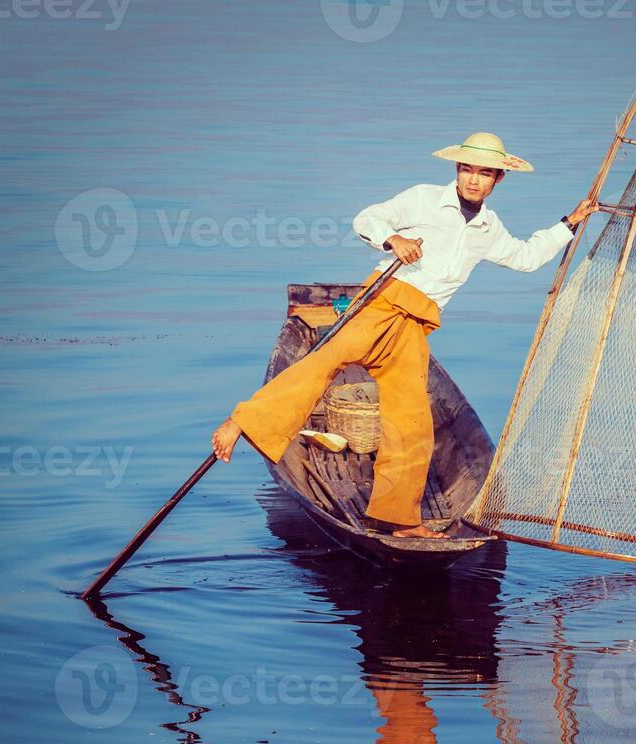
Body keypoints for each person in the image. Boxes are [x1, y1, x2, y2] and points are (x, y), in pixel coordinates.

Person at [211, 132, 596, 538]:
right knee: (322, 364)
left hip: (417, 323)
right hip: (383, 300)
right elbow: (367, 219)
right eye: (467, 169)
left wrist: (568, 224)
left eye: (484, 173)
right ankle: (241, 422)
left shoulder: (488, 227)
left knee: (411, 418)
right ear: (457, 169)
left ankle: (398, 519)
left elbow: (526, 257)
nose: (473, 180)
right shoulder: (425, 198)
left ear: (499, 179)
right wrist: (393, 239)